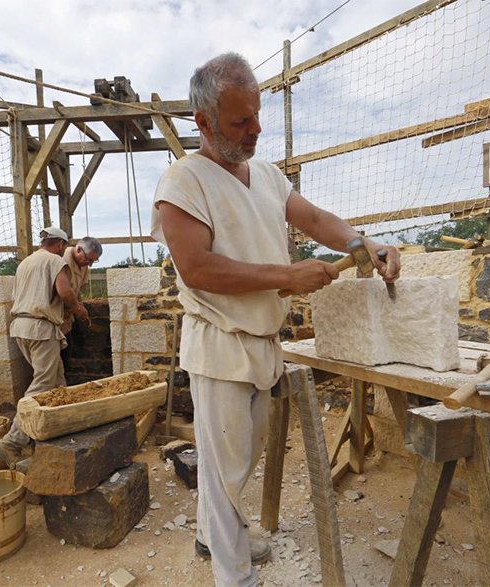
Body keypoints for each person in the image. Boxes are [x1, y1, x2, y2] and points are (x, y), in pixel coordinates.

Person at [150, 53, 400, 587]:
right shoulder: (183, 182)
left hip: (262, 341)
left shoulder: (264, 174)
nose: (256, 129)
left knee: (239, 463)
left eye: (257, 115)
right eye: (241, 121)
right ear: (204, 122)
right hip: (219, 345)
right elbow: (196, 269)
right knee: (222, 473)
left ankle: (209, 536)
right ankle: (232, 576)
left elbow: (312, 218)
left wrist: (364, 244)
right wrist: (285, 276)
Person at [0, 226, 89, 467]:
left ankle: (55, 433)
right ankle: (11, 442)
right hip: (41, 329)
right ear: (60, 245)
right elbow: (64, 292)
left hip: (21, 327)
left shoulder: (25, 263)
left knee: (57, 382)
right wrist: (78, 308)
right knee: (42, 385)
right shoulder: (55, 261)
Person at [60, 237, 103, 371]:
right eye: (89, 259)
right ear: (79, 249)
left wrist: (80, 305)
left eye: (93, 261)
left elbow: (76, 293)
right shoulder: (61, 261)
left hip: (66, 321)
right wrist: (77, 308)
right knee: (54, 365)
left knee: (66, 355)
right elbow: (63, 292)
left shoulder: (83, 265)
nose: (89, 264)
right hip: (54, 320)